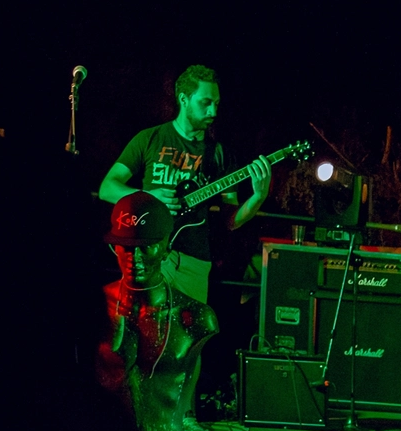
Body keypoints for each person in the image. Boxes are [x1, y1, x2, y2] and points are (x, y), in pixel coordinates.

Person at [97, 191, 220, 431]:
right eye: (125, 246)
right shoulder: (94, 309)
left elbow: (181, 397)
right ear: (113, 247)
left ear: (166, 247)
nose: (134, 256)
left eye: (146, 246)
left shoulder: (195, 319)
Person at [98, 64, 271, 303]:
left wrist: (257, 198)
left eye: (217, 103)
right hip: (148, 256)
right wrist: (149, 198)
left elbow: (230, 221)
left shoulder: (221, 155)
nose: (213, 111)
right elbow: (108, 188)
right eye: (205, 102)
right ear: (183, 99)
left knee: (189, 337)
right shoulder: (150, 139)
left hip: (195, 263)